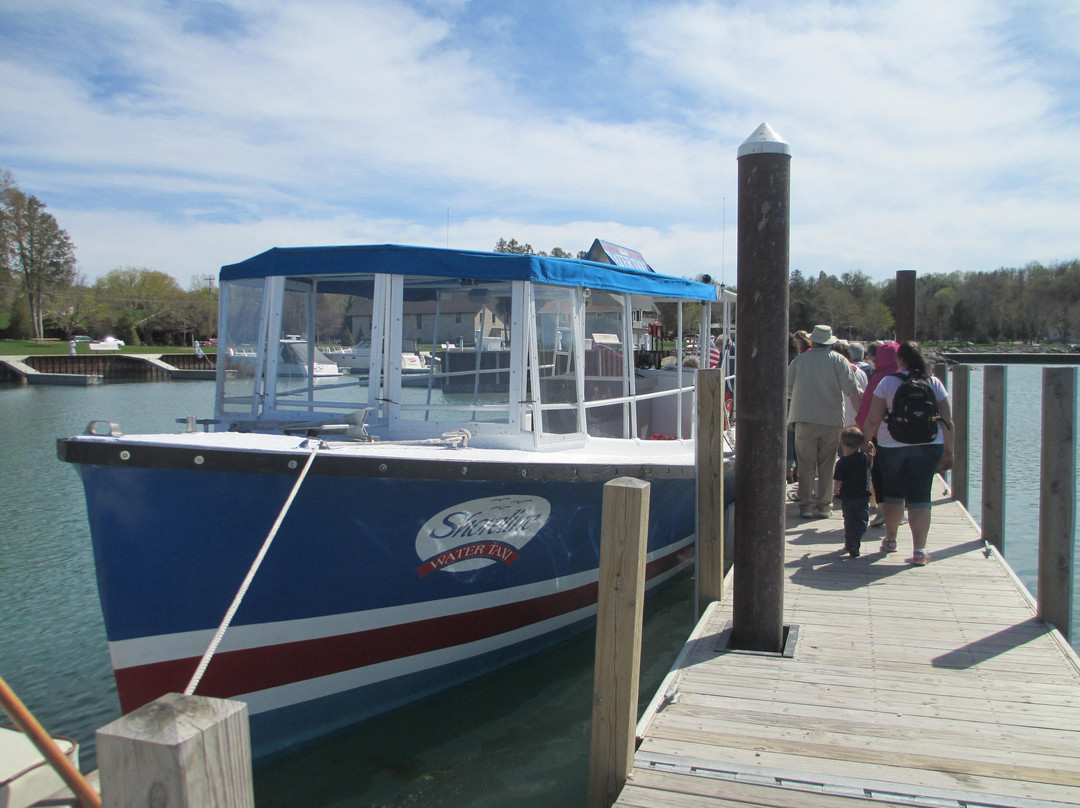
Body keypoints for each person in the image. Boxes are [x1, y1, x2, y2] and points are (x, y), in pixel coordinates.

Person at [860, 341, 953, 566]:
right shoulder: (934, 383)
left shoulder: (887, 382)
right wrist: (950, 450)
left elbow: (873, 418)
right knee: (921, 495)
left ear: (898, 359)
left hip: (892, 445)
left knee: (893, 493)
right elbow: (948, 421)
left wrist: (864, 443)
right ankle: (920, 550)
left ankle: (890, 539)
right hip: (929, 445)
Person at [787, 324, 862, 519]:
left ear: (812, 340)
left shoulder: (799, 361)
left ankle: (806, 506)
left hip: (803, 418)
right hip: (832, 419)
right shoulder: (839, 361)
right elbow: (851, 390)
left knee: (805, 464)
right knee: (827, 464)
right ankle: (825, 506)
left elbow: (788, 389)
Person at [855, 341, 899, 528]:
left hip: (882, 436)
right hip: (909, 437)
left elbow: (867, 409)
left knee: (880, 474)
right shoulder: (911, 376)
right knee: (900, 475)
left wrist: (863, 434)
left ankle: (883, 510)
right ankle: (900, 509)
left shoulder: (880, 378)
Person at [834, 426, 872, 558]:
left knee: (849, 520)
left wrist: (836, 490)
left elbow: (838, 481)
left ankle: (850, 541)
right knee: (861, 521)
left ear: (842, 443)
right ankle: (854, 542)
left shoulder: (841, 463)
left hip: (847, 496)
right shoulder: (863, 458)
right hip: (862, 496)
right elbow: (869, 468)